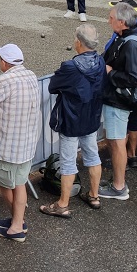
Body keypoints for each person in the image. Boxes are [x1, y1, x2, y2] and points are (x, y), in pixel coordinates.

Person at [40, 24, 105, 217]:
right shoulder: (100, 62)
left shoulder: (71, 67)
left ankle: (63, 204)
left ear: (78, 42)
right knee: (92, 155)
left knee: (68, 161)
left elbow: (53, 86)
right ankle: (94, 195)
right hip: (91, 116)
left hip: (72, 117)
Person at [0, 44, 42, 242]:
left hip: (8, 146)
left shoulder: (5, 81)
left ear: (4, 62)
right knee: (19, 183)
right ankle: (18, 221)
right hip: (26, 142)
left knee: (6, 184)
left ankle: (17, 224)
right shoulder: (30, 75)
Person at [98, 2, 137, 202]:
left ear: (121, 22)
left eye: (111, 18)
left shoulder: (132, 43)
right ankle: (117, 183)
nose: (108, 21)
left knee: (118, 142)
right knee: (116, 140)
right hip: (115, 99)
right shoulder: (125, 38)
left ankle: (119, 186)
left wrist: (112, 73)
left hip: (119, 101)